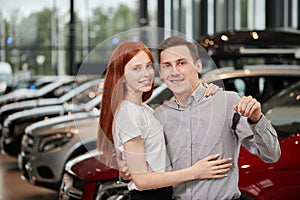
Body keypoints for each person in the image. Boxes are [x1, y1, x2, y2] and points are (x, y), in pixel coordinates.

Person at [98, 41, 232, 200]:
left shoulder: (145, 110)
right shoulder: (129, 114)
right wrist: (195, 172)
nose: (146, 74)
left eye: (148, 66)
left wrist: (206, 91)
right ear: (122, 77)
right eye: (136, 69)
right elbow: (141, 181)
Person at [151, 36, 281, 199]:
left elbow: (271, 155)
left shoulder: (228, 103)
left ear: (198, 65)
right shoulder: (159, 116)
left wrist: (257, 119)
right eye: (167, 66)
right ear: (161, 73)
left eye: (181, 63)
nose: (175, 71)